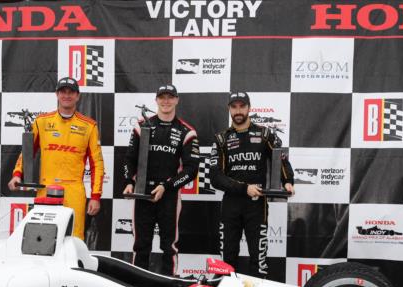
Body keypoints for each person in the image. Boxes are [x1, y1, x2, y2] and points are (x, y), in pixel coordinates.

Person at [8, 77, 104, 241]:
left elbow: (97, 164)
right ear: (57, 94)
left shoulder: (89, 126)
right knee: (43, 237)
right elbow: (27, 152)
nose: (67, 95)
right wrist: (17, 174)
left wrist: (95, 197)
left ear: (77, 96)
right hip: (46, 188)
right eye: (63, 92)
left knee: (74, 238)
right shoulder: (42, 122)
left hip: (74, 190)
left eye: (71, 92)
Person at [210, 91, 294, 277]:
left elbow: (280, 157)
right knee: (227, 259)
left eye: (242, 106)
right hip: (231, 204)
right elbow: (215, 177)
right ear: (229, 109)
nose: (238, 111)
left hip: (257, 204)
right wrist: (244, 188)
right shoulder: (221, 138)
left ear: (249, 108)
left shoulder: (264, 133)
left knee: (259, 259)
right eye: (234, 107)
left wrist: (288, 181)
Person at [123, 84, 200, 276]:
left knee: (169, 246)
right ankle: (137, 285)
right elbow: (130, 159)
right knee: (141, 245)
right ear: (156, 100)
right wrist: (129, 182)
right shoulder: (142, 126)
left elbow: (191, 170)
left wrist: (166, 186)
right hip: (142, 194)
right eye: (162, 97)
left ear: (177, 100)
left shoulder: (187, 131)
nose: (166, 101)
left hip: (169, 195)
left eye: (170, 97)